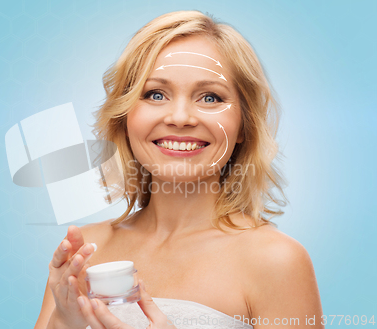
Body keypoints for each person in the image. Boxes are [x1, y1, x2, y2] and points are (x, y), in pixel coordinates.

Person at [35, 10, 324, 329]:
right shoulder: (85, 252)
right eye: (155, 94)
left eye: (211, 97)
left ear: (244, 125)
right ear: (125, 117)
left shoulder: (276, 261)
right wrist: (63, 322)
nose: (180, 117)